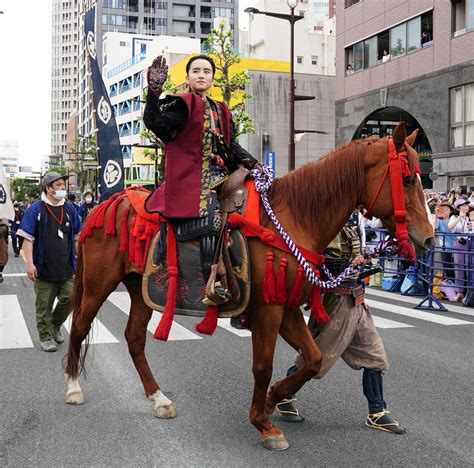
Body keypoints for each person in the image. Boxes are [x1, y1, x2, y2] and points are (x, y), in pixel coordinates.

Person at [143, 55, 259, 304]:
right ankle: (212, 281)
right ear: (187, 77)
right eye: (195, 70)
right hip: (189, 178)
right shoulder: (180, 104)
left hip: (221, 175)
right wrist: (154, 92)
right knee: (215, 218)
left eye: (206, 71)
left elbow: (230, 145)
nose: (201, 75)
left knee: (255, 199)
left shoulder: (222, 110)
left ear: (213, 78)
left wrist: (253, 164)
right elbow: (154, 124)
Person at [275, 220, 405, 434]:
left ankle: (377, 412)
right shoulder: (328, 226)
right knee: (313, 360)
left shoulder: (350, 226)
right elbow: (326, 265)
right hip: (336, 304)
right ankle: (283, 395)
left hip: (357, 301)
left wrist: (368, 256)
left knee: (375, 357)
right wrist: (353, 262)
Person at [17, 172, 82, 352]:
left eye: (63, 185)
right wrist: (30, 264)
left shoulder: (70, 209)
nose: (63, 188)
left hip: (67, 268)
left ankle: (54, 325)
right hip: (43, 269)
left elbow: (77, 238)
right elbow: (27, 240)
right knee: (43, 305)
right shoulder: (35, 209)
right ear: (49, 189)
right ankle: (45, 336)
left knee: (72, 297)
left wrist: (80, 262)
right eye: (59, 185)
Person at [448, 198, 471, 302]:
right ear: (458, 208)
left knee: (469, 269)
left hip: (470, 243)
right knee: (458, 268)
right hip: (458, 243)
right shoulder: (454, 217)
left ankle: (469, 293)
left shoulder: (470, 217)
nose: (465, 207)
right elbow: (450, 227)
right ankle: (459, 292)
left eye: (466, 205)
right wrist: (460, 218)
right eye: (462, 205)